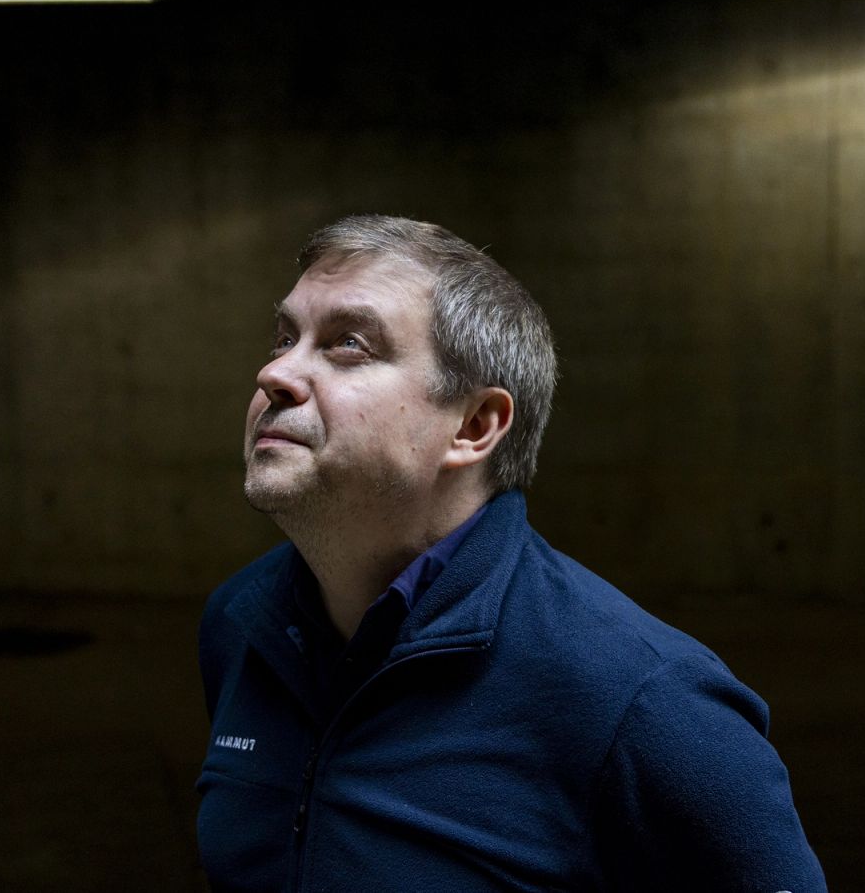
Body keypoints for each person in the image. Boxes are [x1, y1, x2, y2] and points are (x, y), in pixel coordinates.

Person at [196, 214, 825, 892]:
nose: (275, 372)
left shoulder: (645, 702)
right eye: (285, 337)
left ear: (474, 425)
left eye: (348, 344)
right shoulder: (241, 625)